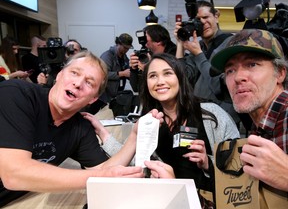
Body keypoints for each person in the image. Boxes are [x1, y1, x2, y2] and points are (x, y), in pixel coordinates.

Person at [0, 51, 153, 207]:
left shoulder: (80, 126)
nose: (78, 83)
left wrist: (134, 136)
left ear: (93, 98)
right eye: (74, 73)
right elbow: (13, 173)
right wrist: (101, 175)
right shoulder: (17, 94)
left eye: (89, 83)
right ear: (59, 75)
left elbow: (104, 169)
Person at [86, 53, 240, 196]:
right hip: (166, 199)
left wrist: (208, 162)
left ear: (180, 77)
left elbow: (237, 169)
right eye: (153, 76)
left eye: (167, 73)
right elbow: (130, 160)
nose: (160, 82)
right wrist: (102, 132)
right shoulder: (150, 121)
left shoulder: (211, 116)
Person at [210, 28, 288, 192]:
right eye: (230, 70)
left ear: (280, 74)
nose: (238, 78)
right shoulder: (259, 128)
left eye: (252, 64)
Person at [174, 0, 243, 126]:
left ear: (216, 16)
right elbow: (183, 78)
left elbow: (218, 85)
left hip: (224, 119)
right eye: (198, 20)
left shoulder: (231, 43)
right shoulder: (198, 47)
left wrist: (199, 55)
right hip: (199, 115)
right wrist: (180, 44)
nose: (203, 23)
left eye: (206, 17)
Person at [129, 25, 177, 92]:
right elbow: (136, 88)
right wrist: (133, 70)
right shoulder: (148, 55)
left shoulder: (176, 57)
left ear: (158, 41)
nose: (145, 44)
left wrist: (149, 69)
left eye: (146, 40)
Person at [95, 33, 133, 113]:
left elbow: (127, 71)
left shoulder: (124, 57)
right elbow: (103, 74)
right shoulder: (107, 56)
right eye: (125, 48)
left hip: (116, 94)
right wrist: (122, 74)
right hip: (105, 96)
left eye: (128, 48)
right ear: (118, 44)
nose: (126, 50)